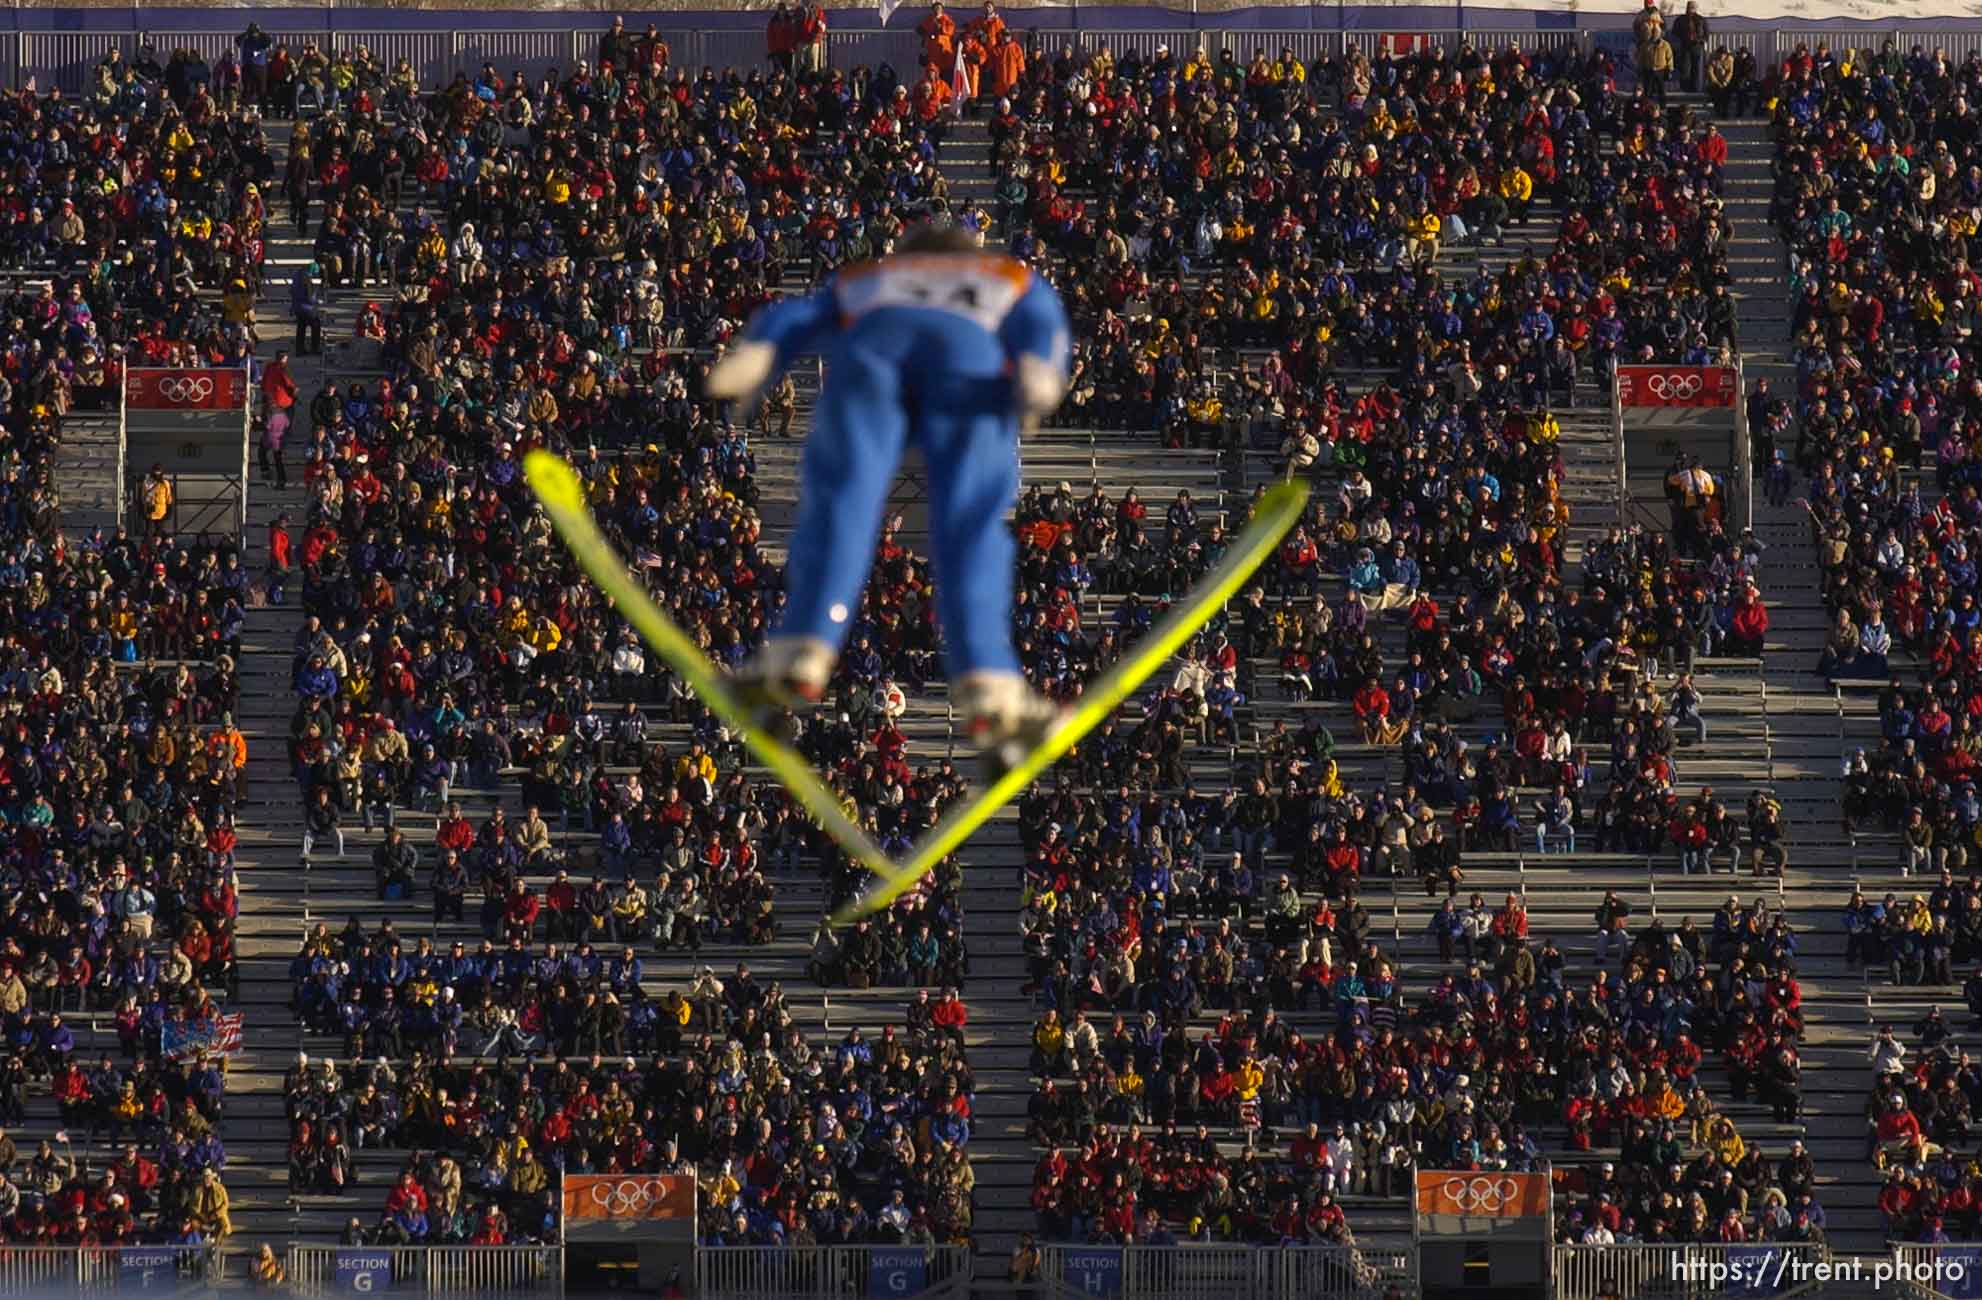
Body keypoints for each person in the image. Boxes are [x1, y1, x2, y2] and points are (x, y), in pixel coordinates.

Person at [706, 221, 1072, 773]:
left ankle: (803, 645)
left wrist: (760, 353)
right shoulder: (1005, 274)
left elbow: (799, 315)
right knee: (969, 521)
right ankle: (988, 682)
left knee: (845, 504)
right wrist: (1039, 368)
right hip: (968, 370)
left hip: (871, 359)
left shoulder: (871, 277)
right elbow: (1042, 321)